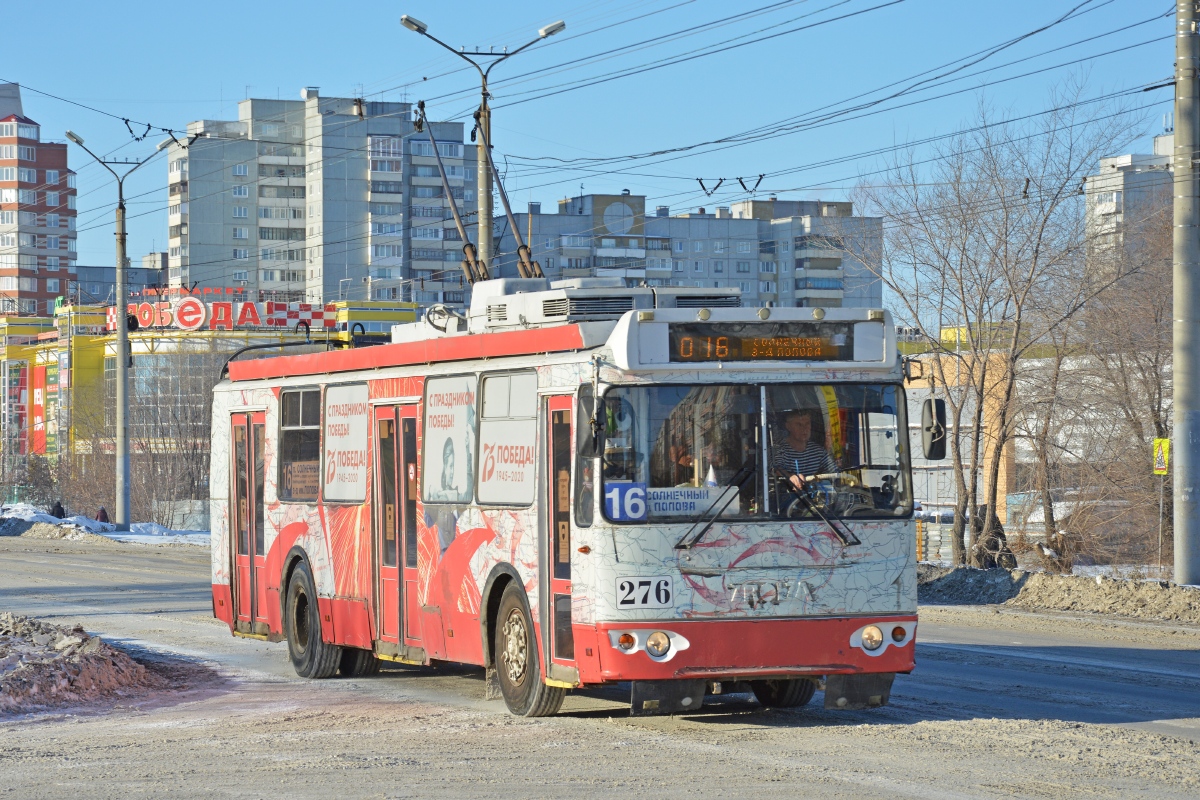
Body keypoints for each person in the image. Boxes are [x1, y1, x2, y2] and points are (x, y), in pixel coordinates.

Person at [773, 409, 837, 489]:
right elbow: (777, 468)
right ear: (788, 426)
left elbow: (834, 470)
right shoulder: (779, 450)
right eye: (799, 425)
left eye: (807, 423)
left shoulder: (818, 451)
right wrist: (790, 477)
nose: (804, 429)